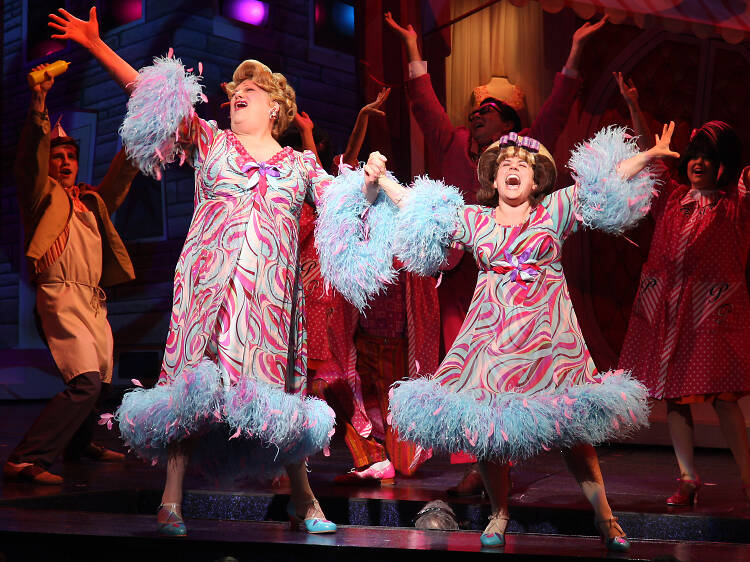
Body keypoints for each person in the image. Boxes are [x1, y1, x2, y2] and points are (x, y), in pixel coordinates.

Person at [49, 7, 387, 536]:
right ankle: (171, 498)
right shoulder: (212, 142)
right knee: (193, 388)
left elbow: (343, 203)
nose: (237, 94)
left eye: (249, 88)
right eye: (233, 90)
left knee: (278, 401)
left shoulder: (299, 166)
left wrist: (370, 183)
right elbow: (151, 94)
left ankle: (302, 496)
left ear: (276, 106)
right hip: (209, 292)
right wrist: (97, 46)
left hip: (271, 302)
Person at [372, 123, 679, 550]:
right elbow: (419, 207)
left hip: (550, 343)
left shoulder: (553, 211)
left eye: (522, 166)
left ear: (535, 182)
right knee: (487, 428)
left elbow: (603, 183)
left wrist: (646, 156)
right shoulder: (475, 220)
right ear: (494, 180)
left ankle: (606, 518)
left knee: (575, 434)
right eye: (505, 166)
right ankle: (499, 512)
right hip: (491, 343)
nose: (513, 169)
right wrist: (382, 178)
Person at [385, 11, 608, 494]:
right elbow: (425, 106)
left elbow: (556, 108)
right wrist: (411, 50)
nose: (476, 113)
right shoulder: (453, 143)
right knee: (469, 368)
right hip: (462, 268)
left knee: (511, 366)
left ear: (509, 119)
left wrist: (574, 54)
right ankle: (478, 461)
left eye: (488, 107)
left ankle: (504, 460)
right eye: (475, 107)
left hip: (516, 274)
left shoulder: (522, 157)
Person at [616, 73, 750, 507]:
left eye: (708, 158)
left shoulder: (735, 206)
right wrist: (635, 107)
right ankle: (687, 478)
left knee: (725, 398)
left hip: (711, 315)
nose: (698, 163)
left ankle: (749, 477)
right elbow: (651, 157)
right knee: (674, 396)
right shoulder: (671, 198)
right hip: (668, 312)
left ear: (722, 165)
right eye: (694, 155)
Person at [295, 92, 441, 484]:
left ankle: (384, 452)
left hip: (387, 341)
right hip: (332, 322)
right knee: (329, 384)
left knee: (402, 451)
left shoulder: (393, 233)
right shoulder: (328, 216)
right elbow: (341, 172)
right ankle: (363, 454)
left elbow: (347, 167)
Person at [3, 60, 137, 485]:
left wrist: (142, 133)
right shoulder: (41, 196)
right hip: (59, 297)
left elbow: (118, 178)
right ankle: (26, 458)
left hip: (91, 300)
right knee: (84, 381)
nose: (64, 163)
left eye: (70, 157)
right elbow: (30, 160)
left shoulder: (91, 202)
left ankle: (80, 446)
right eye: (57, 157)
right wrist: (39, 105)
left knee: (102, 382)